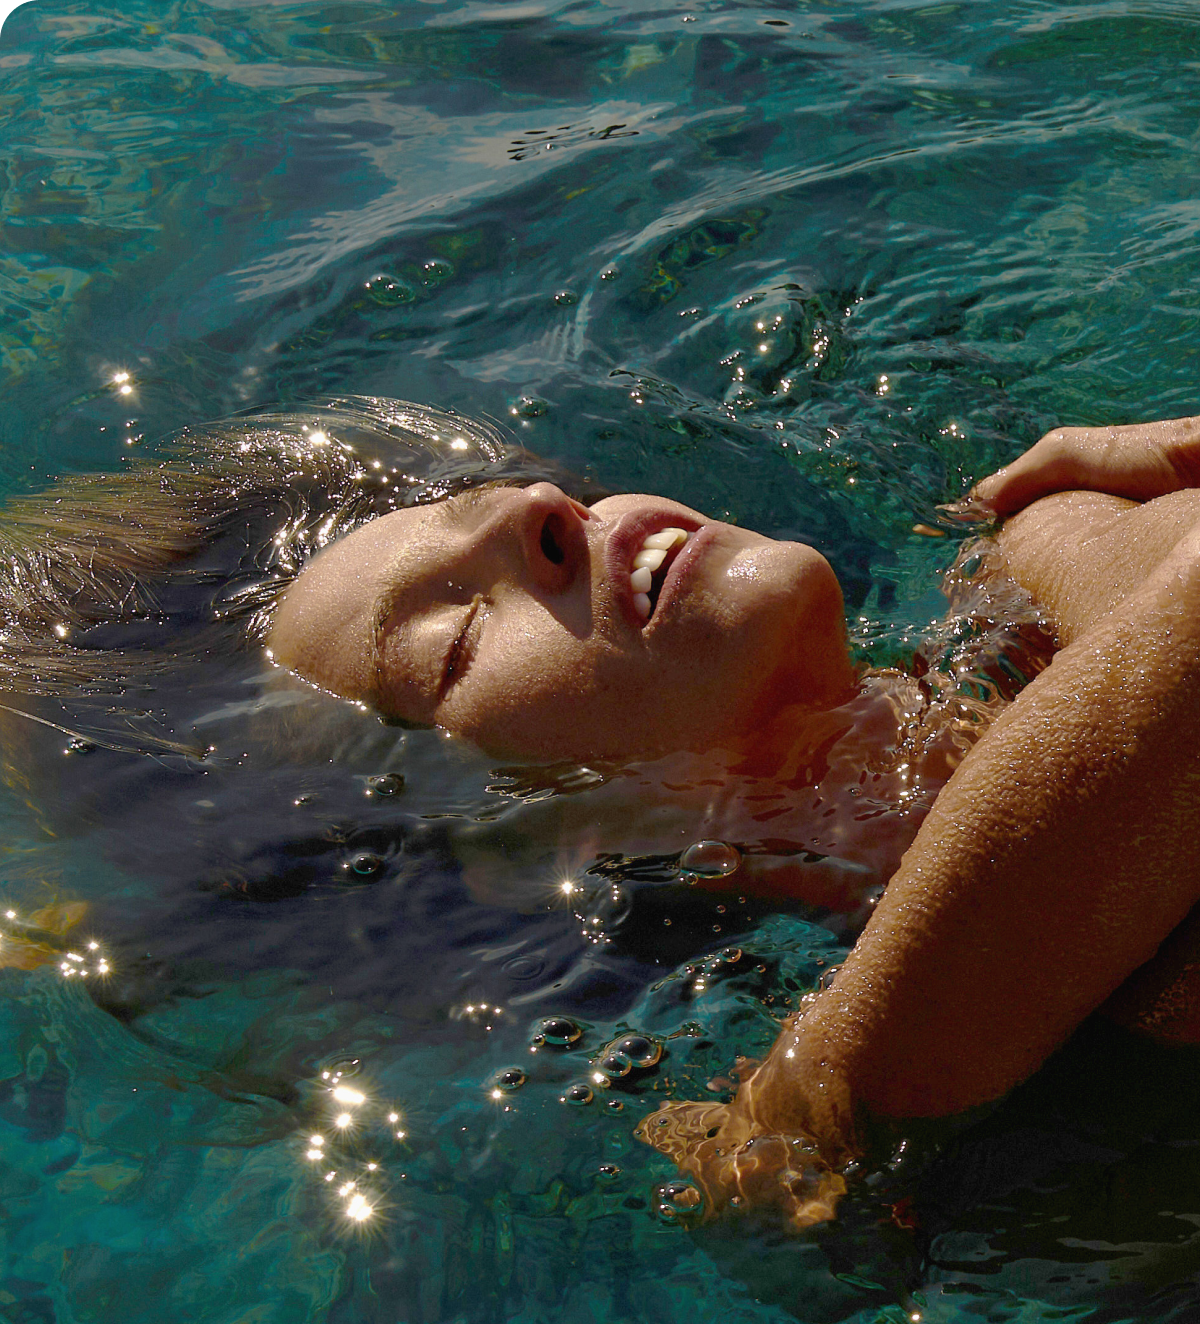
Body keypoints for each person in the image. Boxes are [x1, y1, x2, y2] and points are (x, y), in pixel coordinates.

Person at [7, 399, 1200, 1227]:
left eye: (507, 498)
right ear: (522, 857)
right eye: (454, 642)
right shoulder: (790, 1124)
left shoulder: (1052, 536)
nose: (535, 509)